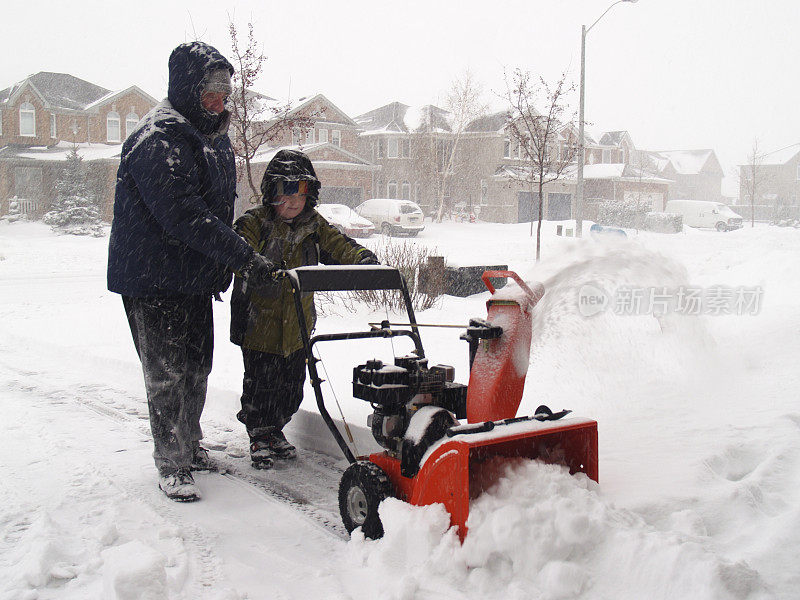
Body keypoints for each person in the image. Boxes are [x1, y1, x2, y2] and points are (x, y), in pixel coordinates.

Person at [107, 41, 276, 502]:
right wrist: (241, 257)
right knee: (167, 372)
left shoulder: (214, 138)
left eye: (225, 93)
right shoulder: (156, 138)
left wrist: (230, 257)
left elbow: (220, 208)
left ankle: (189, 443)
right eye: (211, 93)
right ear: (187, 89)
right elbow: (184, 214)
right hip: (152, 277)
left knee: (198, 367)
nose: (220, 102)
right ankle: (171, 461)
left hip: (194, 278)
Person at [230, 149, 378, 469]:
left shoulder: (313, 225)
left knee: (291, 387)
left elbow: (339, 245)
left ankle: (277, 429)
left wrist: (363, 261)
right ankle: (259, 432)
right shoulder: (255, 222)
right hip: (260, 327)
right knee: (261, 385)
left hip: (297, 325)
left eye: (301, 192)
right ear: (272, 192)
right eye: (286, 191)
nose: (294, 200)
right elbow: (239, 251)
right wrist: (256, 267)